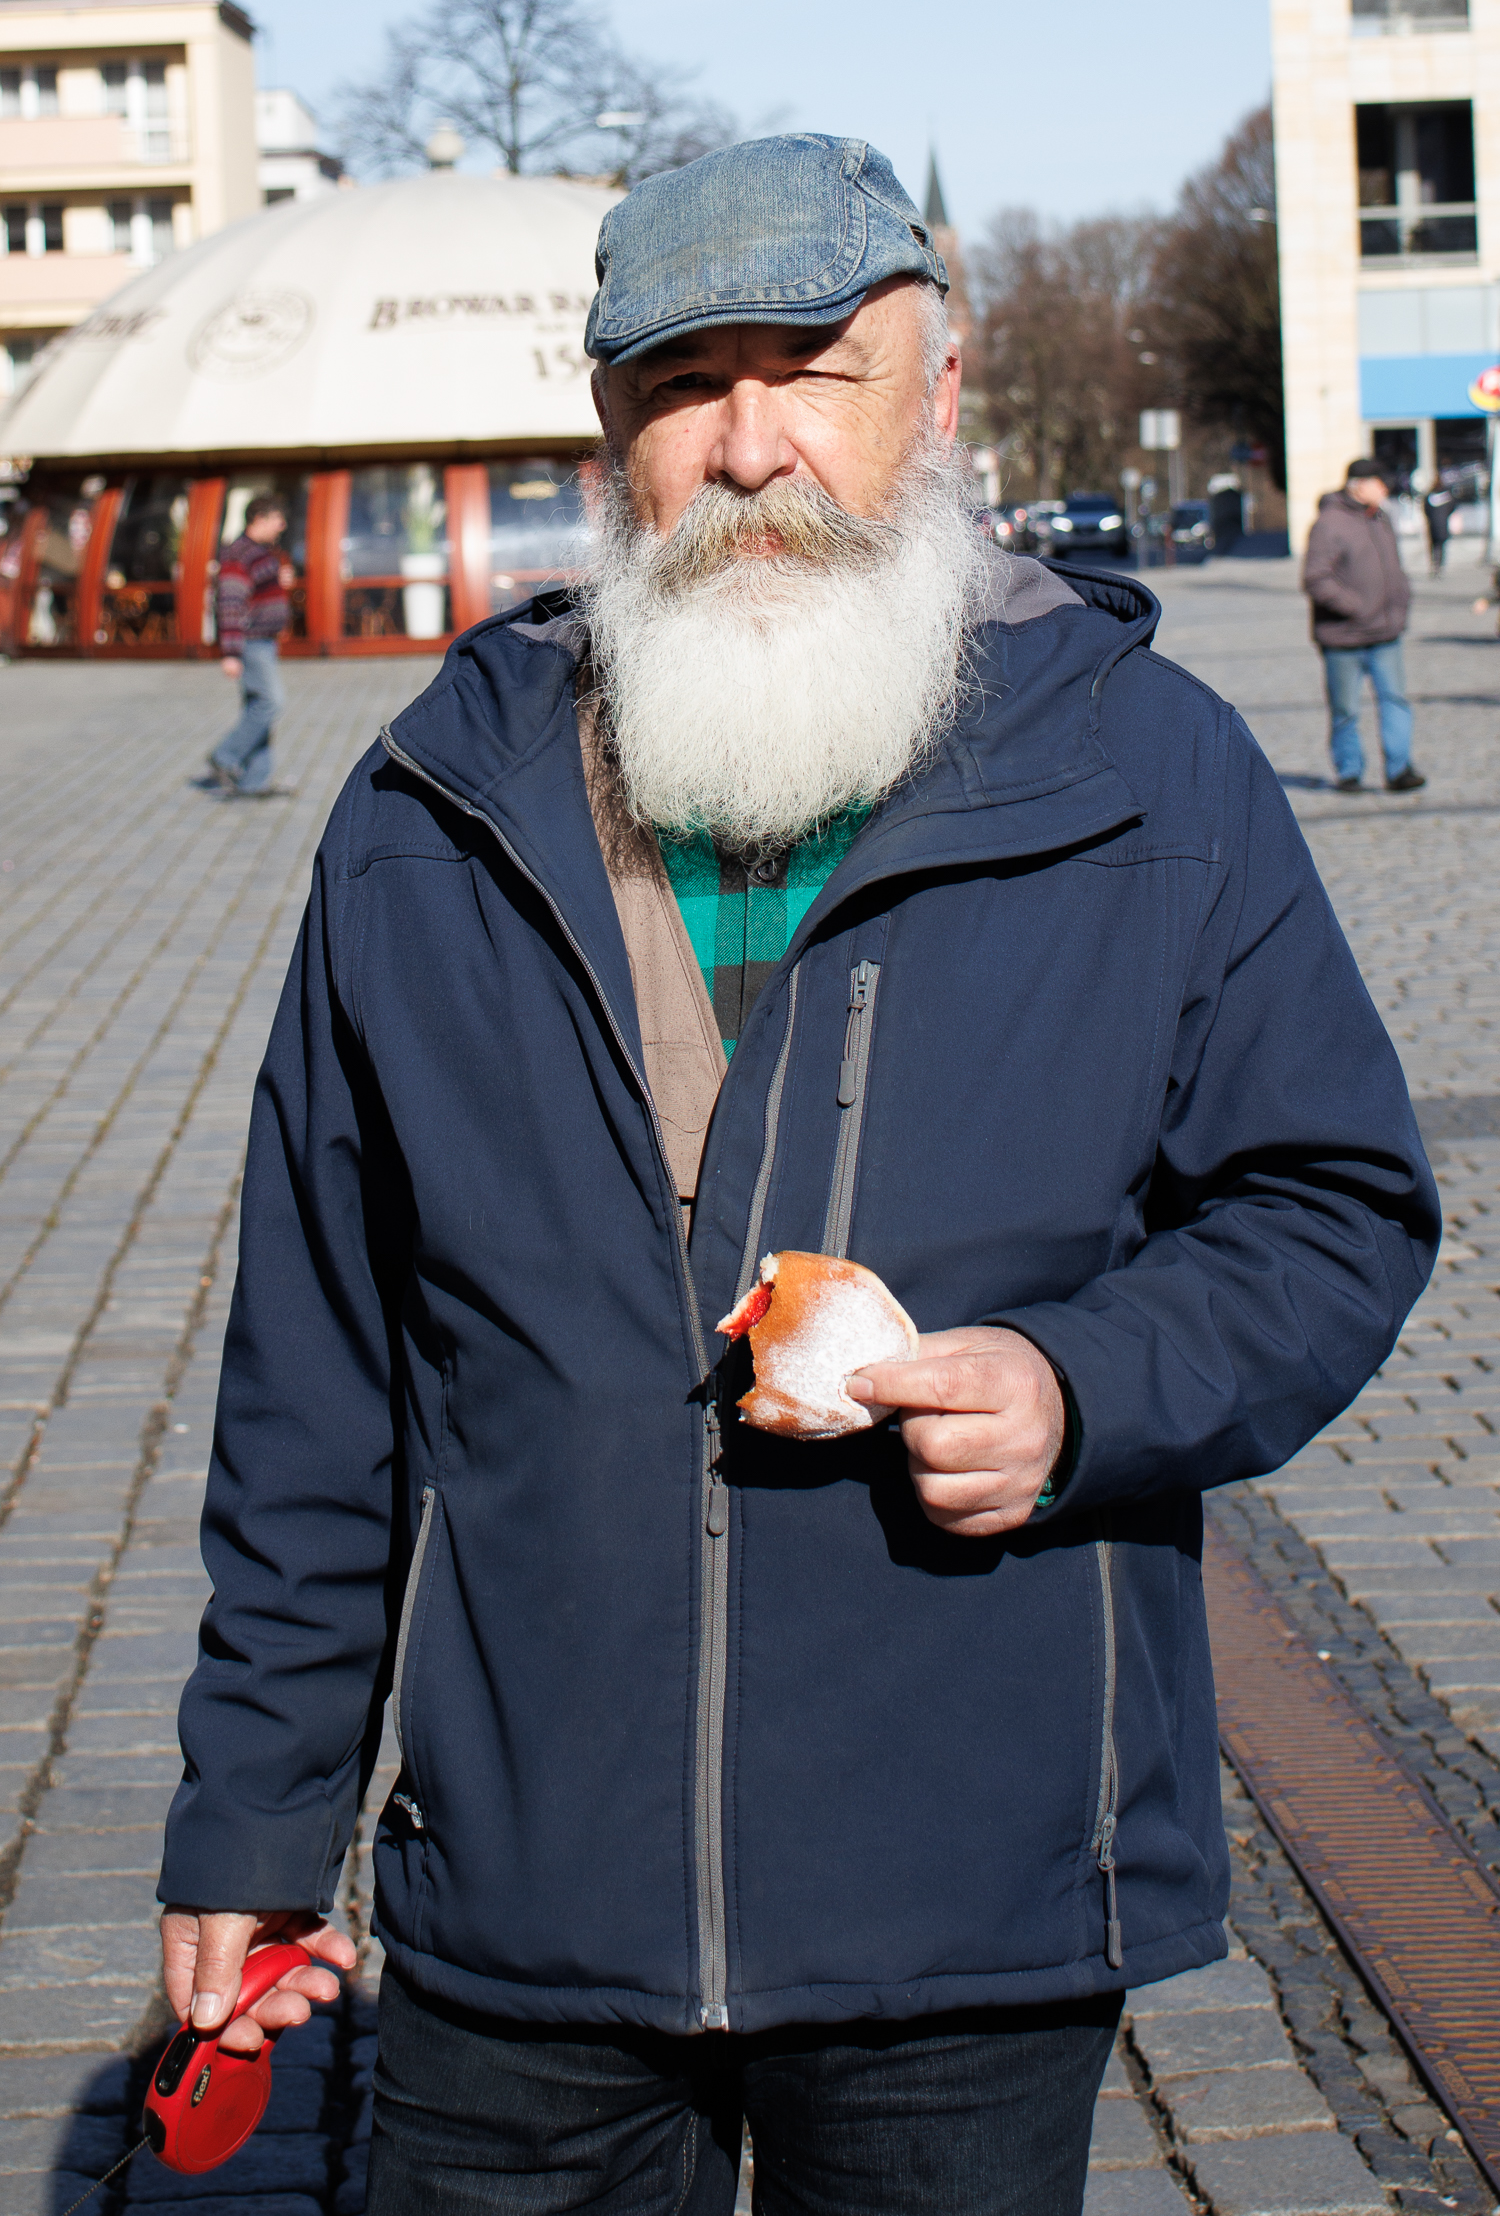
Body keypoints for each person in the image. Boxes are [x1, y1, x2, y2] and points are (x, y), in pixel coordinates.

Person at [156, 137, 1439, 2216]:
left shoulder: (1158, 778)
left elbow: (1333, 1205)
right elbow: (317, 1373)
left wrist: (1082, 1386)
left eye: (815, 370)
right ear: (610, 432)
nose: (751, 446)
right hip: (523, 1908)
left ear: (936, 400)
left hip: (971, 1898)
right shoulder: (427, 813)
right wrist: (249, 1817)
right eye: (684, 383)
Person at [1302, 458, 1426, 794]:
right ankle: (1349, 772)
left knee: (1395, 700)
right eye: (1379, 482)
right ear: (1358, 485)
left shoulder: (1380, 518)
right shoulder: (1329, 524)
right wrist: (1356, 608)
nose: (1385, 489)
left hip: (1386, 633)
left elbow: (1393, 570)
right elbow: (1315, 578)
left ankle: (1399, 770)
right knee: (1345, 710)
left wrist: (1400, 603)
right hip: (1343, 637)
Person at [208, 493, 292, 796]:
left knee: (258, 706)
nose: (281, 526)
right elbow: (230, 603)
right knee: (271, 703)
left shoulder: (258, 551)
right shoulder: (238, 554)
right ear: (260, 519)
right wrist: (230, 653)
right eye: (276, 520)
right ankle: (225, 756)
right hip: (251, 643)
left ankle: (254, 781)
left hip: (264, 642)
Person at [1423, 479, 1455, 575]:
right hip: (1443, 525)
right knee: (1441, 546)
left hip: (1432, 524)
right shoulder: (1447, 496)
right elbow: (1452, 507)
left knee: (1433, 545)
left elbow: (1425, 509)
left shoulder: (1429, 496)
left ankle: (1433, 564)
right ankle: (1440, 565)